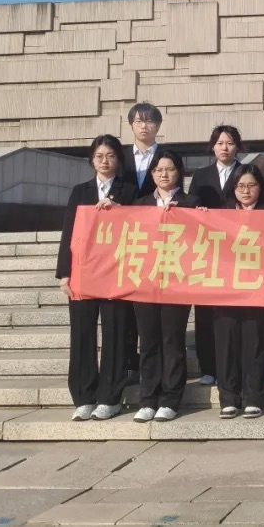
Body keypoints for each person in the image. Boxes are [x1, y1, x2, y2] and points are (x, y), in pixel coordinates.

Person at [56, 134, 137, 422]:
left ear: (119, 160)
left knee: (115, 333)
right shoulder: (80, 191)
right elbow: (68, 231)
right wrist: (64, 273)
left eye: (111, 156)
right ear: (91, 160)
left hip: (116, 273)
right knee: (82, 334)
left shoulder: (129, 190)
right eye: (100, 156)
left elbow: (139, 225)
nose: (105, 161)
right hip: (83, 272)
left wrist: (120, 211)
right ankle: (83, 397)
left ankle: (110, 398)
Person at [131, 149, 197, 422]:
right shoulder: (140, 204)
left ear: (179, 172)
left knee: (172, 339)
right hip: (145, 280)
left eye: (169, 169)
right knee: (148, 340)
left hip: (177, 280)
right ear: (152, 174)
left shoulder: (192, 202)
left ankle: (170, 399)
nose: (164, 174)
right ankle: (148, 398)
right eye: (158, 170)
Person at [214, 164, 264, 419]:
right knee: (226, 342)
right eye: (240, 186)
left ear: (260, 187)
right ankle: (228, 398)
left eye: (252, 185)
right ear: (233, 188)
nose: (246, 191)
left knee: (257, 341)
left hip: (259, 288)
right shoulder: (220, 214)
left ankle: (254, 397)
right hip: (225, 289)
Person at [186, 125, 246, 388]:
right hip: (208, 250)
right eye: (220, 143)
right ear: (212, 146)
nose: (225, 148)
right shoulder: (201, 175)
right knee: (205, 312)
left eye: (230, 143)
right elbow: (190, 205)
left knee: (234, 313)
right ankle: (208, 367)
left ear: (237, 147)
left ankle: (234, 365)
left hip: (238, 250)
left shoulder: (246, 171)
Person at [119, 101, 165, 375]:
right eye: (139, 121)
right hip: (125, 235)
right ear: (131, 125)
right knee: (126, 302)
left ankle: (155, 360)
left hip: (157, 237)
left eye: (149, 121)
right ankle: (128, 361)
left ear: (158, 125)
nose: (144, 126)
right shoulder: (120, 156)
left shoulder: (167, 156)